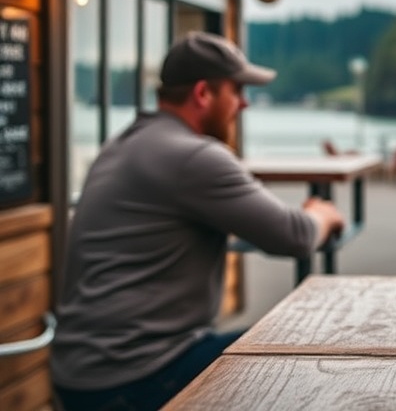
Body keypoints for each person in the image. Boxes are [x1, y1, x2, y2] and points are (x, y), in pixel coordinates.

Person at [51, 32, 344, 410]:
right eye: (236, 91)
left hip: (82, 373)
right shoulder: (193, 156)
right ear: (203, 93)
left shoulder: (125, 143)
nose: (244, 104)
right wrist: (323, 213)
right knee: (297, 345)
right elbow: (295, 235)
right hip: (134, 378)